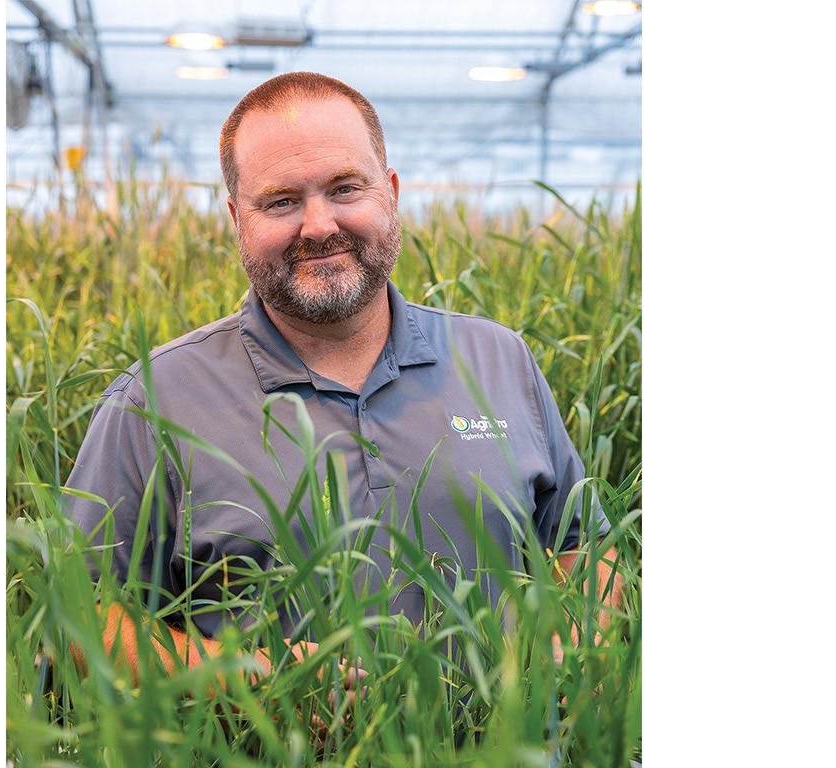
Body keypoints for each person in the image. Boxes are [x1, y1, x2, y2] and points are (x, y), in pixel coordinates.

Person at [63, 71, 620, 687]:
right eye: (281, 201)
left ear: (391, 192)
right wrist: (248, 683)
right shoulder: (156, 398)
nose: (319, 224)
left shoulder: (498, 358)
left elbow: (587, 548)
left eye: (345, 187)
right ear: (236, 217)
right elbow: (80, 618)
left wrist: (564, 645)